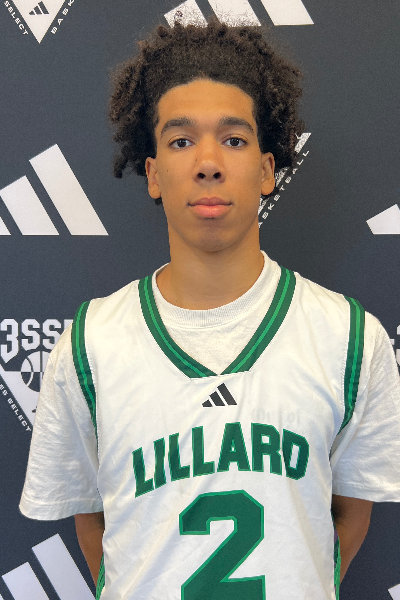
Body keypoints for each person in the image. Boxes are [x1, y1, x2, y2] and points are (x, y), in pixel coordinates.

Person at [19, 18, 400, 600]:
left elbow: (348, 516)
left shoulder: (349, 337)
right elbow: (93, 522)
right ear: (153, 174)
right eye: (180, 141)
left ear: (267, 170)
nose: (207, 162)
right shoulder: (90, 344)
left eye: (234, 139)